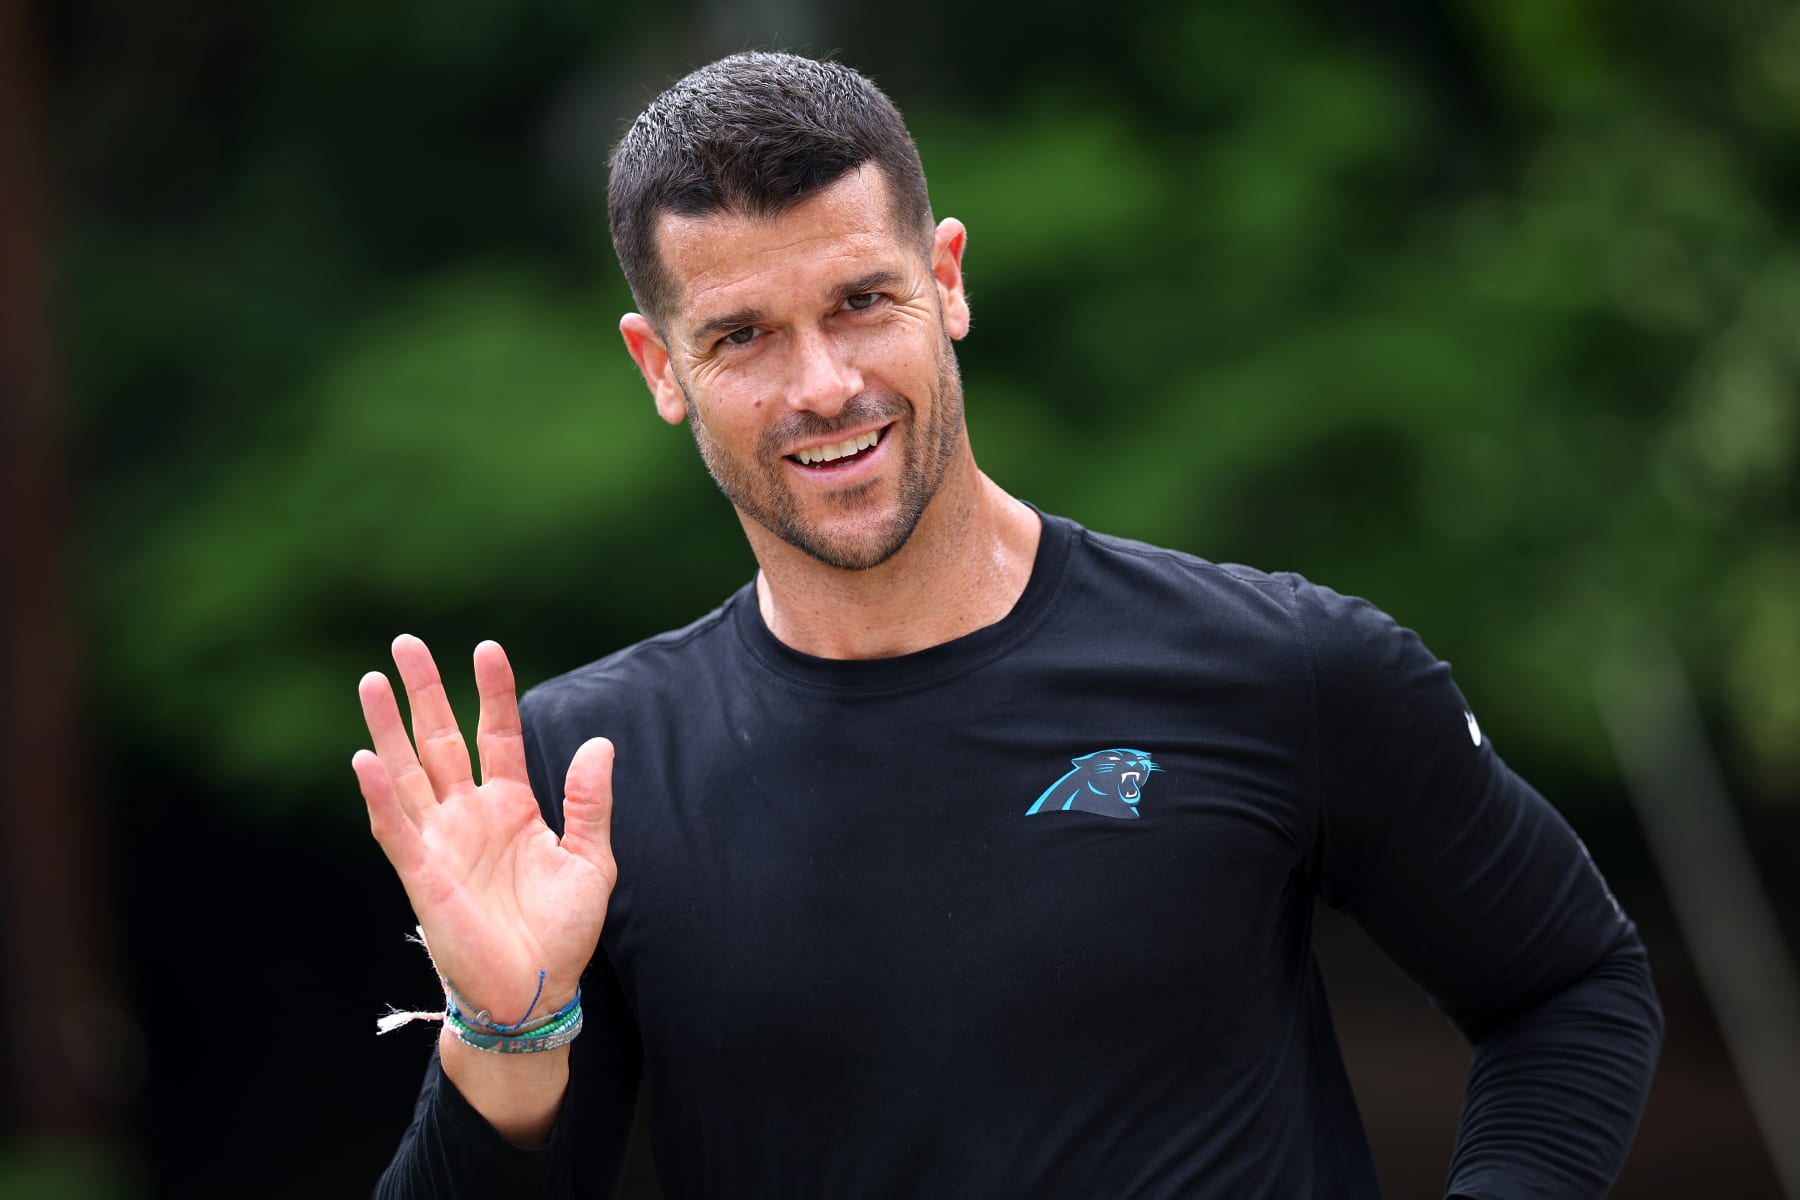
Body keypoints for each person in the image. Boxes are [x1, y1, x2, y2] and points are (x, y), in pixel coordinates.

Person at [356, 51, 1661, 1199]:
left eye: (862, 301)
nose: (824, 385)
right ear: (661, 368)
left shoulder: (1278, 669)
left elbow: (1570, 989)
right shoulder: (587, 784)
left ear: (948, 281)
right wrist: (507, 1033)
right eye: (744, 335)